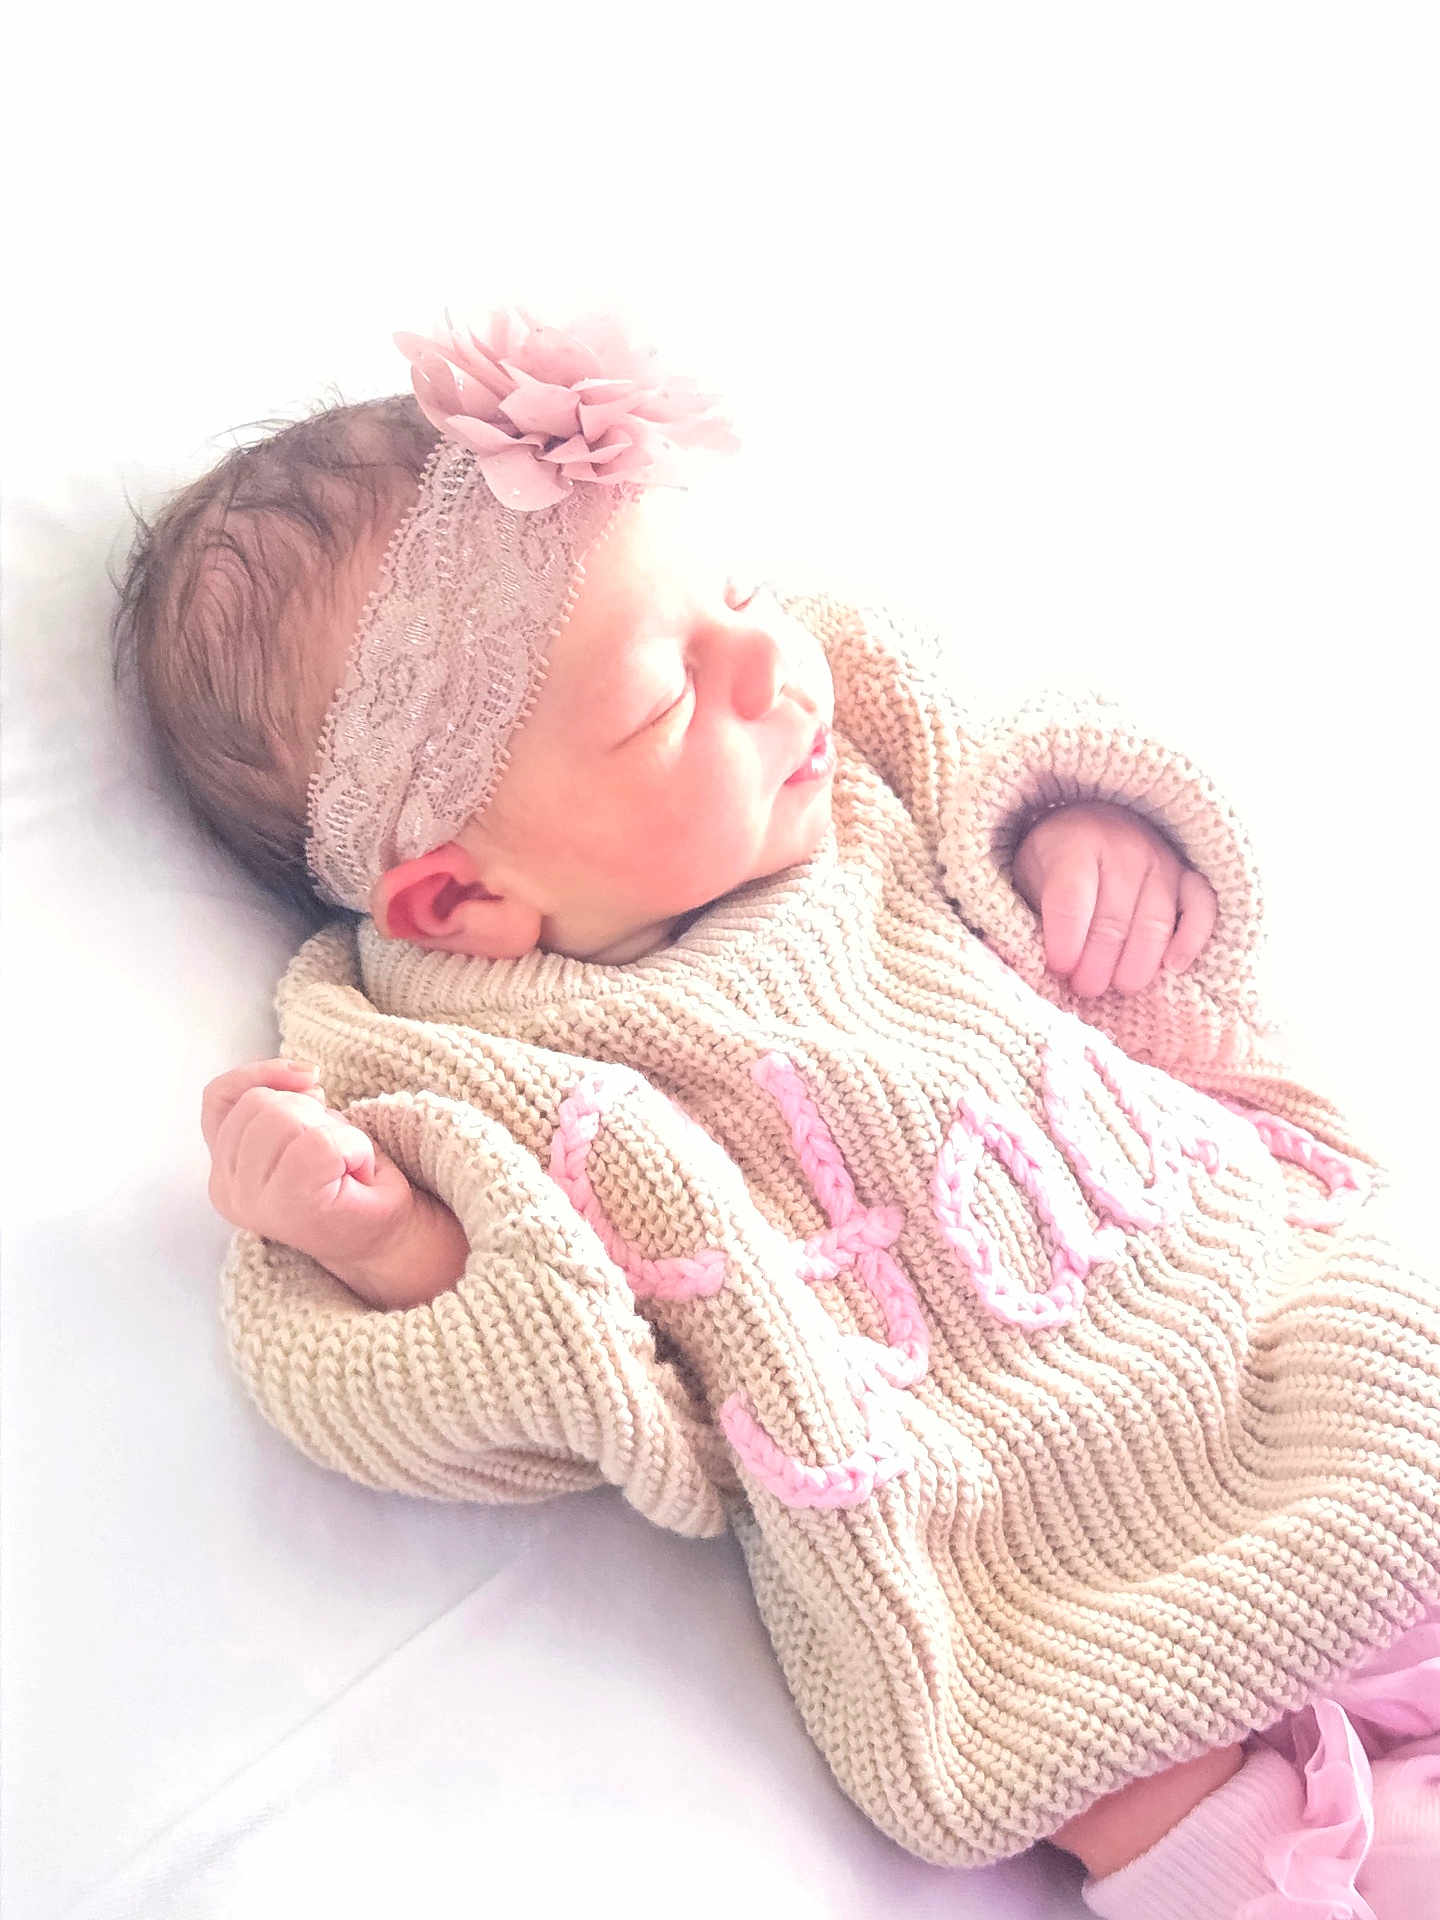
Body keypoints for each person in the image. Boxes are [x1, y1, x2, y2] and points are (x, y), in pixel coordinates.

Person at [114, 306, 1440, 1916]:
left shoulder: (862, 752)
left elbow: (1030, 756)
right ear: (462, 899)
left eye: (733, 594)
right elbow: (525, 1373)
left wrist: (1092, 836)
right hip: (1008, 1550)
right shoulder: (451, 1063)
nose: (769, 661)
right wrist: (373, 1233)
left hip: (1258, 1336)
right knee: (1106, 1753)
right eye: (670, 699)